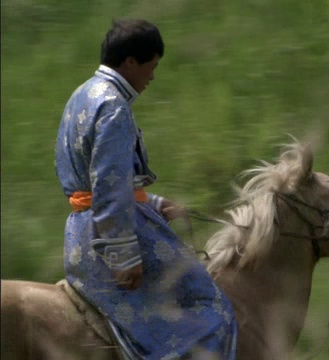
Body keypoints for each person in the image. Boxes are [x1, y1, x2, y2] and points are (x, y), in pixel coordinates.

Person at [55, 19, 237, 360]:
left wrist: (155, 202)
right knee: (213, 311)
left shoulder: (82, 94)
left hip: (79, 236)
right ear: (130, 63)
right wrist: (124, 255)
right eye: (151, 67)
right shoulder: (113, 107)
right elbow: (109, 190)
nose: (152, 77)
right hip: (111, 237)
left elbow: (94, 182)